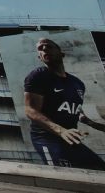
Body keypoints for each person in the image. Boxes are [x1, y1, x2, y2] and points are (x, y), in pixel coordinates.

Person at [24, 37, 105, 170]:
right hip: (47, 138)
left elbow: (74, 110)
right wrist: (60, 130)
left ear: (61, 54)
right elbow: (30, 110)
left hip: (70, 138)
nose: (44, 49)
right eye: (40, 48)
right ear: (39, 57)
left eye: (48, 46)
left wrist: (89, 122)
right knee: (66, 177)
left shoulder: (78, 83)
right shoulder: (37, 76)